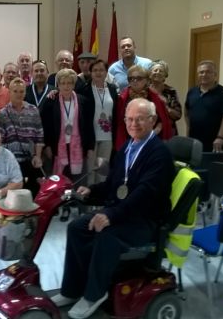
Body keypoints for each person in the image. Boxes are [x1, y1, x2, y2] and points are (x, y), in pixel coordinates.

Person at [51, 98, 175, 319]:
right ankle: (72, 290)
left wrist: (110, 214)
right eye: (129, 119)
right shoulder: (128, 146)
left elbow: (144, 194)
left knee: (107, 236)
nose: (133, 124)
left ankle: (93, 294)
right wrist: (92, 191)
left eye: (140, 119)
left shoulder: (160, 153)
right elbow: (114, 184)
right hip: (123, 212)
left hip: (144, 219)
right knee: (77, 228)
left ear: (153, 120)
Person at [41, 69, 95, 183]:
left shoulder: (83, 102)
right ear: (58, 85)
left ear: (74, 84)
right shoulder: (51, 101)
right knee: (60, 180)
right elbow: (46, 126)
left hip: (78, 147)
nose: (66, 86)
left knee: (78, 180)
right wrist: (47, 146)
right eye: (63, 83)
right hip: (57, 147)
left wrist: (90, 147)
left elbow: (89, 126)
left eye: (69, 83)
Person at [0, 78, 45, 196]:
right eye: (15, 91)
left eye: (21, 91)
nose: (19, 94)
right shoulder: (3, 113)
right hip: (11, 161)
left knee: (32, 193)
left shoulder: (33, 110)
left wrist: (38, 156)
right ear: (10, 92)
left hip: (30, 160)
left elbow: (39, 135)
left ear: (25, 92)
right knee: (14, 195)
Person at [114, 65, 173, 150]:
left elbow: (162, 121)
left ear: (147, 80)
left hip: (150, 139)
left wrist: (150, 135)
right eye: (131, 78)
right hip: (127, 139)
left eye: (138, 78)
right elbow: (119, 123)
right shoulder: (122, 98)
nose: (134, 81)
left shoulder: (155, 98)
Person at [79, 60, 118, 185]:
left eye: (101, 70)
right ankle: (88, 198)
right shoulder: (84, 89)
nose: (98, 73)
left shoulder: (112, 89)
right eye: (95, 70)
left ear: (106, 72)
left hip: (107, 136)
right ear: (90, 72)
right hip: (91, 136)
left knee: (103, 171)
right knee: (90, 170)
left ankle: (100, 198)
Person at [185, 60, 223, 152]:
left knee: (216, 166)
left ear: (215, 75)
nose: (204, 74)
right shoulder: (192, 92)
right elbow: (187, 113)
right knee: (195, 166)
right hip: (195, 142)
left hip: (216, 143)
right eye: (201, 72)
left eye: (208, 72)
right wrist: (188, 133)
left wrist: (220, 137)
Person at [149, 60, 182, 136]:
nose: (157, 72)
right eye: (155, 70)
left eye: (161, 71)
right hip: (149, 131)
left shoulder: (171, 91)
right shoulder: (145, 91)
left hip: (168, 131)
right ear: (150, 74)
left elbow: (178, 115)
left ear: (165, 76)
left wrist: (165, 107)